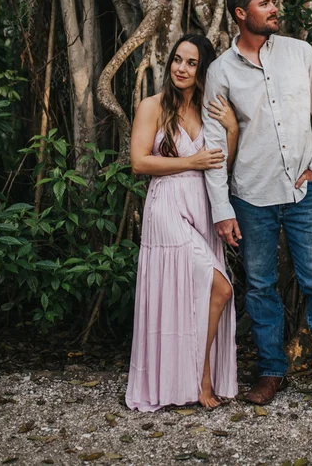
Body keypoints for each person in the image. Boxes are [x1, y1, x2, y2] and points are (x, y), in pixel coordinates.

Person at [201, 0, 312, 421]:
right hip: (251, 196)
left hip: (303, 193)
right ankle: (272, 372)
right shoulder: (221, 72)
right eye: (265, 3)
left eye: (274, 2)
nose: (275, 9)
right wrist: (222, 209)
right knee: (260, 287)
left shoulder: (300, 53)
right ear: (240, 13)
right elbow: (214, 145)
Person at [125, 33, 240, 411]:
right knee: (219, 288)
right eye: (177, 59)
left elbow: (221, 164)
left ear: (202, 69)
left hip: (202, 206)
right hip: (167, 206)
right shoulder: (153, 106)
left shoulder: (210, 110)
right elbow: (139, 162)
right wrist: (190, 162)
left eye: (191, 63)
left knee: (202, 291)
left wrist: (233, 130)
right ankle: (201, 376)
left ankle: (189, 376)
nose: (181, 68)